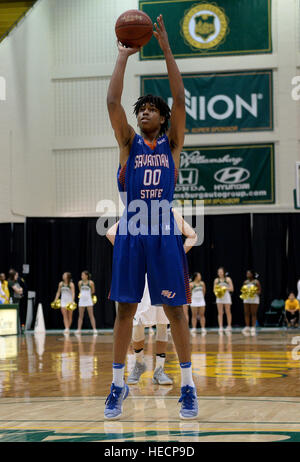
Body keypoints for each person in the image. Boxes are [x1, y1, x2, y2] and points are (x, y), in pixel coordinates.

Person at [105, 15, 198, 420]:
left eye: (149, 109)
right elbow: (112, 103)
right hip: (132, 228)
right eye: (139, 109)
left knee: (175, 311)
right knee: (125, 309)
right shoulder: (128, 144)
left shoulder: (171, 145)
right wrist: (123, 57)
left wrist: (165, 48)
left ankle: (189, 387)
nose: (143, 112)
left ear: (161, 118)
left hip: (162, 228)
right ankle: (117, 384)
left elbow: (180, 98)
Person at [106, 209, 197, 387]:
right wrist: (132, 256)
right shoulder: (134, 211)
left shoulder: (171, 212)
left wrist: (177, 256)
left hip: (163, 271)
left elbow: (193, 235)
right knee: (138, 322)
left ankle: (159, 369)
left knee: (163, 322)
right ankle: (139, 363)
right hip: (143, 275)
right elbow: (110, 232)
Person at [75, 271, 97, 336]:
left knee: (91, 315)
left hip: (89, 300)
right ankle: (79, 329)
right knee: (80, 316)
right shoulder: (80, 283)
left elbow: (93, 291)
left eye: (83, 275)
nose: (82, 276)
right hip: (81, 300)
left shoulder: (90, 283)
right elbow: (80, 290)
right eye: (81, 275)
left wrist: (88, 295)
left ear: (86, 276)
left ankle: (94, 329)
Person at [214, 267, 234, 335]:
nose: (220, 273)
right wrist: (218, 291)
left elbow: (232, 289)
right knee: (220, 312)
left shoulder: (228, 279)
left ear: (224, 272)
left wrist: (224, 288)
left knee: (228, 311)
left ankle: (229, 326)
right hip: (219, 297)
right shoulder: (216, 280)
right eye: (218, 272)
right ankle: (221, 327)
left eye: (221, 271)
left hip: (226, 296)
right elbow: (214, 290)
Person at [241, 270, 261, 337]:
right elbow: (243, 290)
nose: (247, 274)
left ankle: (253, 327)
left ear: (252, 274)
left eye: (249, 273)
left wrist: (254, 292)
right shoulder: (245, 282)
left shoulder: (256, 282)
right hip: (246, 299)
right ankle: (247, 326)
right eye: (247, 273)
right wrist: (245, 292)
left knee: (253, 313)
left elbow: (259, 291)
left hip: (254, 299)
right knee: (246, 313)